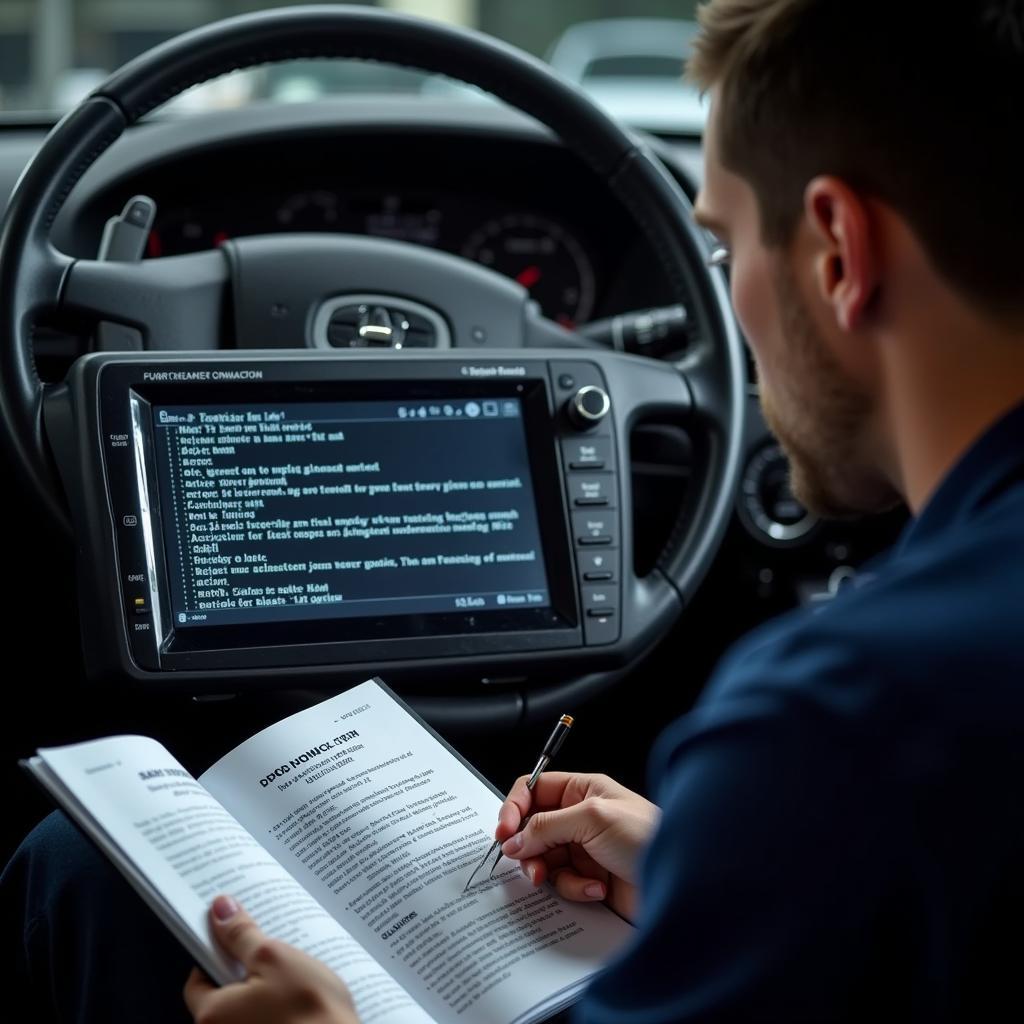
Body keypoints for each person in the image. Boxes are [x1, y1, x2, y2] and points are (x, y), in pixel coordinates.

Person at [5, 0, 1024, 1020]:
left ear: (838, 252)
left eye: (720, 251)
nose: (727, 297)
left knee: (84, 871)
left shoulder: (834, 722)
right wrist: (718, 864)